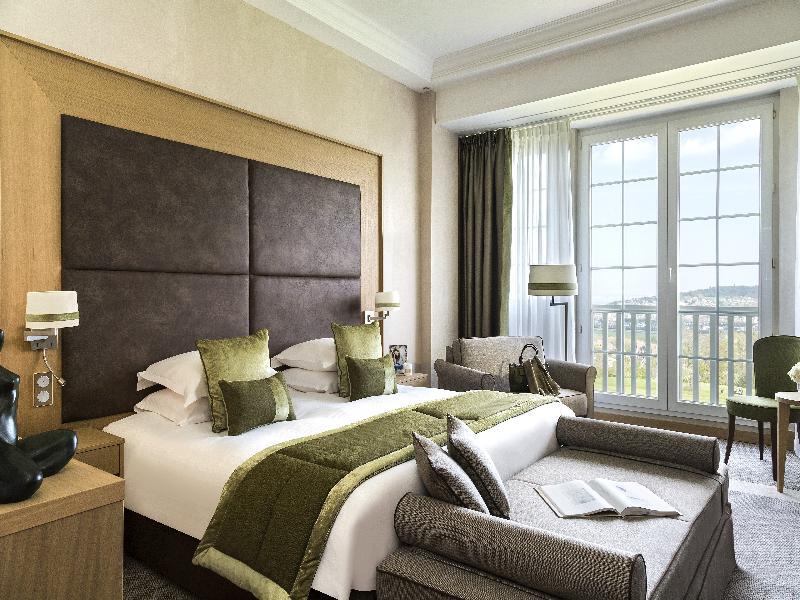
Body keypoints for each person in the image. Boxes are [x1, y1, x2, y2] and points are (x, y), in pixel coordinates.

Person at [0, 329, 77, 503]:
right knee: (30, 478)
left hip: (11, 446)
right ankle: (19, 471)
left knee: (68, 440)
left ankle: (15, 466)